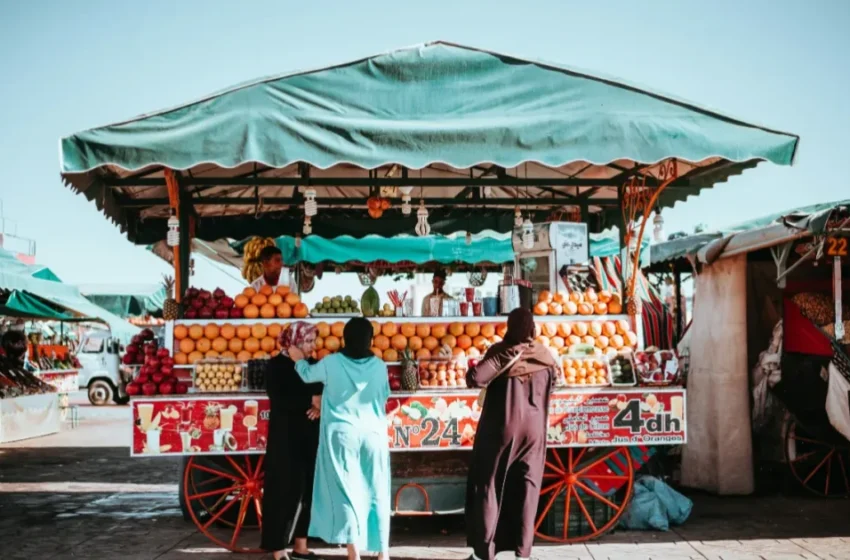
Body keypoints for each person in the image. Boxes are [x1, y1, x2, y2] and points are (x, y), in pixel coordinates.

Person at [288, 317, 391, 560]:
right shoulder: (379, 366)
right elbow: (384, 395)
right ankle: (383, 553)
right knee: (378, 491)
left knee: (347, 493)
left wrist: (298, 360)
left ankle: (354, 554)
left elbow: (307, 375)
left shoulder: (332, 362)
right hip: (374, 436)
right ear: (370, 339)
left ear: (345, 338)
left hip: (342, 437)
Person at [464, 308, 558, 560]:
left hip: (502, 429)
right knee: (528, 486)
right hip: (535, 431)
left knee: (490, 484)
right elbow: (554, 383)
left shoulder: (502, 351)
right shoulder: (545, 355)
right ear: (532, 329)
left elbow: (476, 378)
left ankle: (484, 552)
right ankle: (522, 553)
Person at [261, 322, 323, 560]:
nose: (312, 346)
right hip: (285, 439)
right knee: (283, 492)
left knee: (308, 490)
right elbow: (280, 399)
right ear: (294, 342)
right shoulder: (276, 366)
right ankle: (278, 551)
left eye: (313, 341)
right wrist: (312, 401)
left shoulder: (313, 365)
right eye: (308, 341)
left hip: (309, 436)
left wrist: (317, 402)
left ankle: (301, 546)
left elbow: (321, 389)